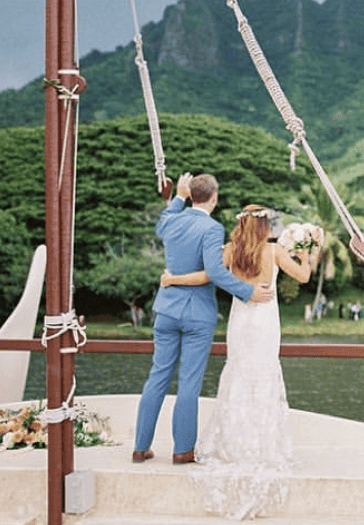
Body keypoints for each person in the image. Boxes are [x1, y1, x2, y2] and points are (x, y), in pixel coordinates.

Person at [162, 204, 321, 519]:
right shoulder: (273, 251)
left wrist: (174, 278)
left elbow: (207, 276)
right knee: (262, 376)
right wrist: (309, 251)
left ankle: (233, 444)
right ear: (264, 227)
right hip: (264, 323)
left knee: (238, 375)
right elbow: (303, 276)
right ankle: (262, 445)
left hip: (241, 321)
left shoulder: (230, 251)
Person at [132, 173, 273, 466]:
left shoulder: (171, 221)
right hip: (197, 315)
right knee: (189, 383)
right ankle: (182, 451)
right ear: (215, 197)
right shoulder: (212, 228)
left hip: (167, 310)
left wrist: (179, 195)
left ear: (190, 194)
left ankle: (140, 448)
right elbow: (216, 272)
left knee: (157, 377)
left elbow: (162, 221)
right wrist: (248, 292)